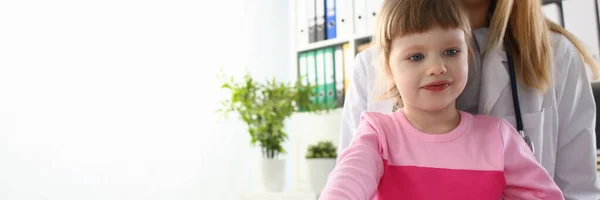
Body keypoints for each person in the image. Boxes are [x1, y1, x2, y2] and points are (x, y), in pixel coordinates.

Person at [338, 0, 600, 199]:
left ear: (468, 56)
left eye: (451, 52)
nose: (436, 68)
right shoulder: (372, 83)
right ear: (388, 68)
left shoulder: (556, 57)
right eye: (416, 57)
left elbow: (574, 191)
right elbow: (348, 180)